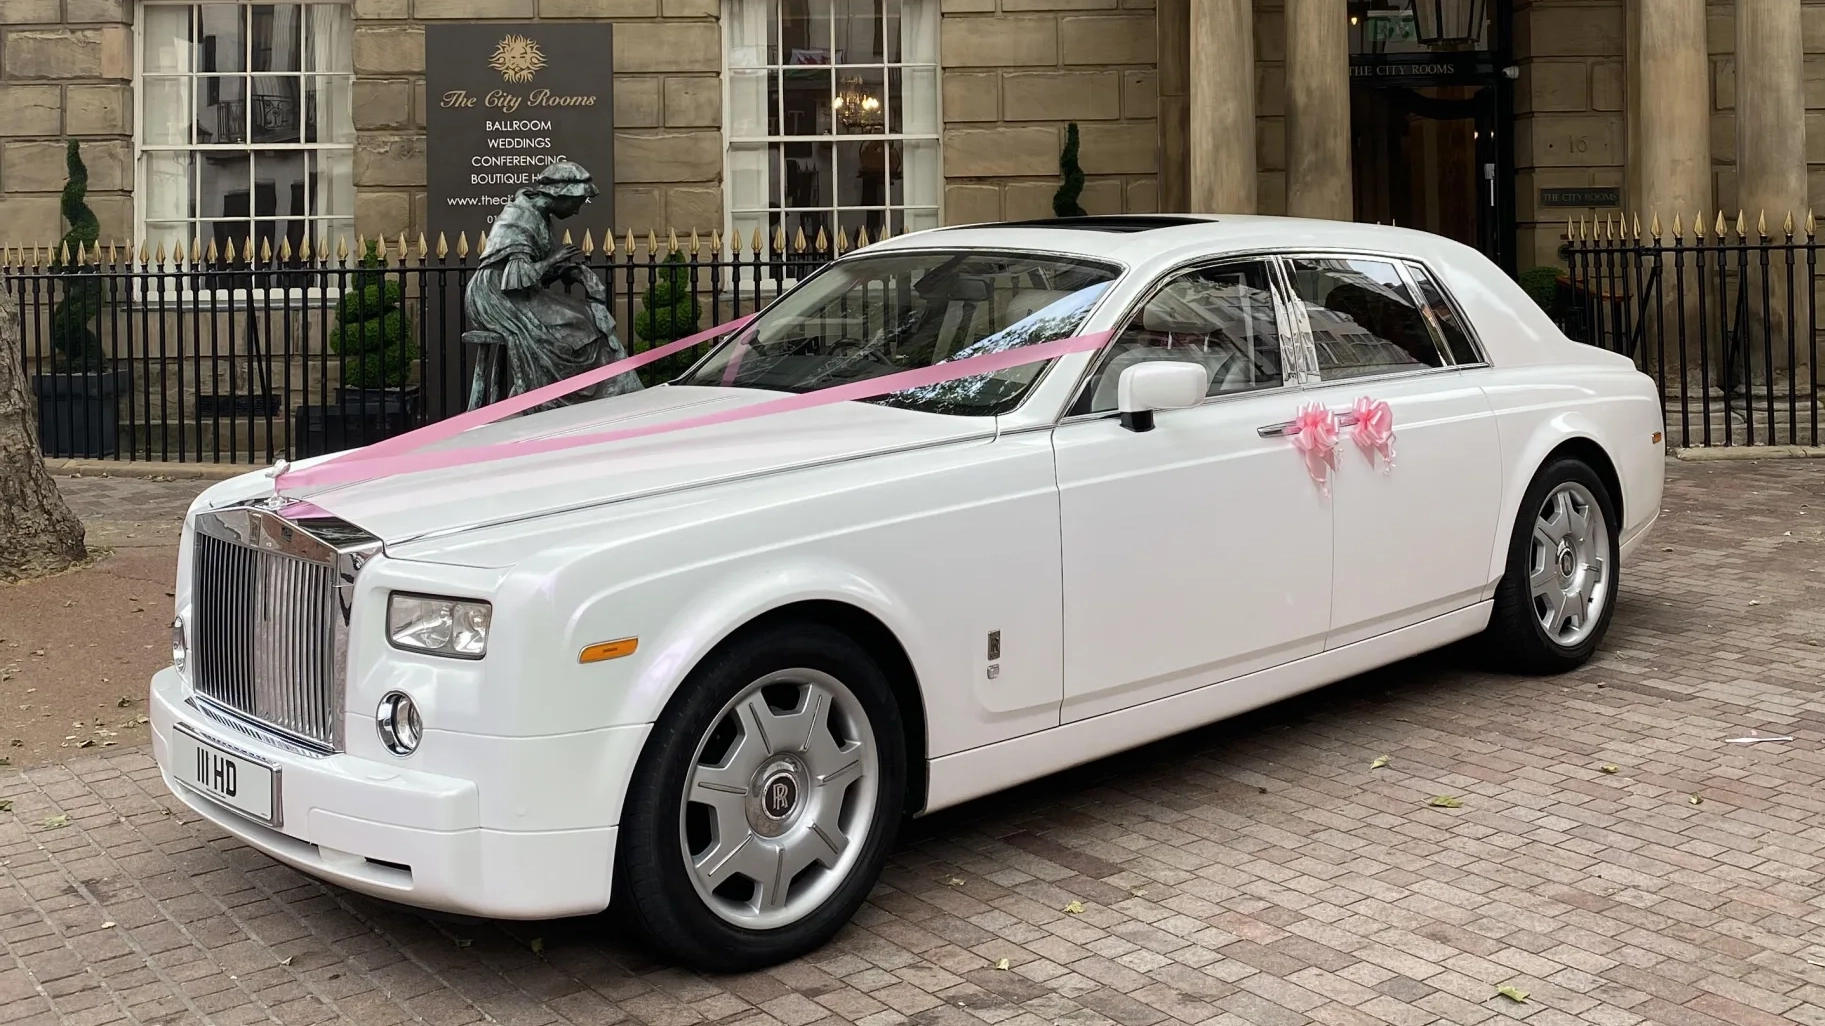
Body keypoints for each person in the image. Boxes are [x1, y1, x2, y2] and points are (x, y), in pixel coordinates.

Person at [464, 160, 638, 411]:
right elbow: (517, 279)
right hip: (495, 297)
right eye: (576, 204)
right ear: (561, 195)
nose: (577, 211)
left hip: (519, 293)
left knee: (588, 316)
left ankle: (608, 393)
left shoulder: (540, 216)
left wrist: (577, 274)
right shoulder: (520, 216)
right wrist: (555, 259)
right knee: (577, 325)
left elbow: (534, 273)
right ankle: (558, 400)